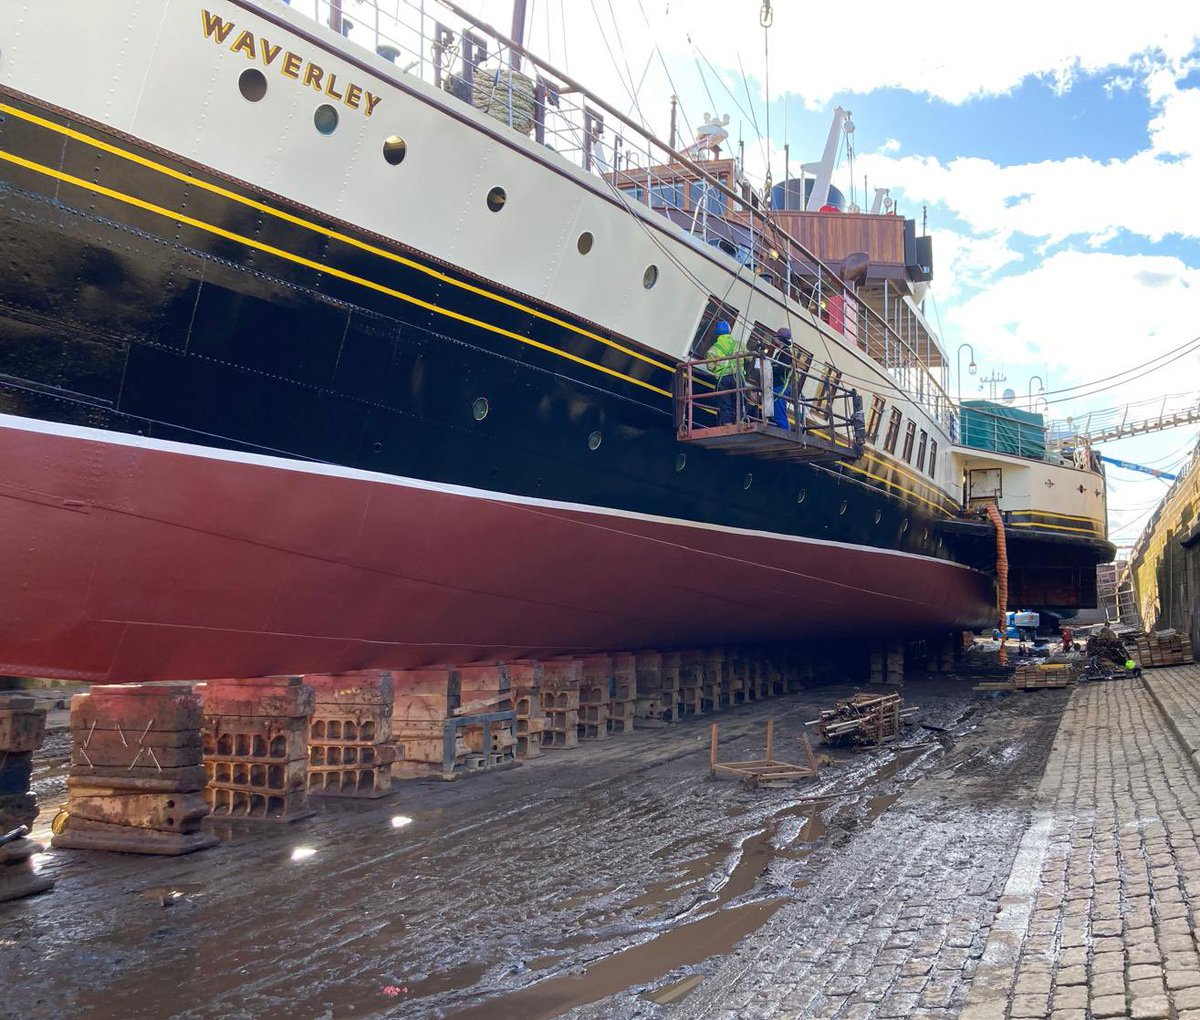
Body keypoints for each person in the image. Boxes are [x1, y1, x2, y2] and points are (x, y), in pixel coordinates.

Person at [708, 320, 743, 425]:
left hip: (723, 378)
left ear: (717, 333)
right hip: (737, 376)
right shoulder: (738, 345)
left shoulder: (713, 349)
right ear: (729, 331)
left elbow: (710, 367)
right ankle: (740, 422)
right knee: (739, 400)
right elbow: (747, 358)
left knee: (725, 402)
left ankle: (728, 424)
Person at [769, 327, 793, 430]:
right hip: (777, 385)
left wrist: (770, 367)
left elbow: (781, 368)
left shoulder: (786, 353)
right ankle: (781, 429)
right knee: (776, 411)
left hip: (780, 386)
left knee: (779, 411)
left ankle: (785, 432)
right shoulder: (782, 352)